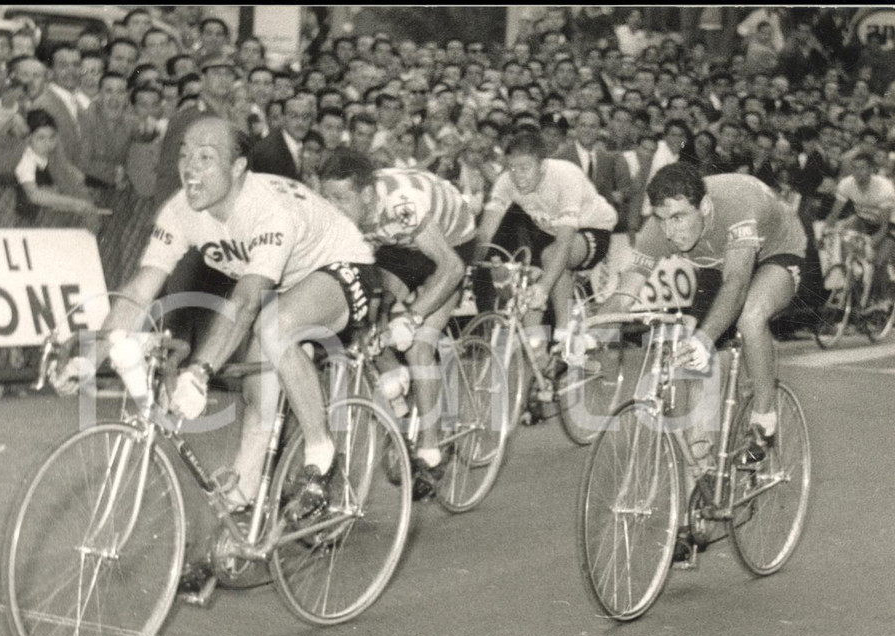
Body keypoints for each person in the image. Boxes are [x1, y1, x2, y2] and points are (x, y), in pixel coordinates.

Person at [50, 116, 377, 588]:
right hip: (285, 282)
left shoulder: (266, 210)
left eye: (206, 158)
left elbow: (244, 303)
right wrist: (90, 354)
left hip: (342, 267)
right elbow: (142, 288)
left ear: (239, 167)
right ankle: (235, 536)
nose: (189, 169)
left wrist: (200, 371)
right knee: (257, 399)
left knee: (272, 327)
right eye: (184, 155)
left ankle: (320, 454)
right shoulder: (181, 209)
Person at [600, 163, 807, 518]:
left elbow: (737, 284)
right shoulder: (659, 227)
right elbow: (626, 292)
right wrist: (588, 332)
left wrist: (703, 339)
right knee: (693, 372)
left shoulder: (737, 208)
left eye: (680, 217)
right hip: (717, 265)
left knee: (749, 316)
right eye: (664, 219)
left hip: (775, 250)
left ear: (705, 207)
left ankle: (764, 420)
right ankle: (701, 490)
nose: (671, 230)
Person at [319, 147, 475, 498]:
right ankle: (394, 377)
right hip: (398, 243)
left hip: (449, 244)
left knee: (419, 347)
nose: (332, 207)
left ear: (368, 195)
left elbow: (451, 268)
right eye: (326, 197)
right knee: (367, 318)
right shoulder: (354, 211)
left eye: (341, 199)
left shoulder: (401, 202)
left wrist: (413, 316)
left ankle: (431, 451)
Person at [476, 130, 617, 359]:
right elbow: (485, 232)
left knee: (551, 259)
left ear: (542, 165)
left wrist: (544, 288)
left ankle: (565, 331)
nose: (517, 176)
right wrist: (472, 262)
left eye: (525, 169)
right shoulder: (506, 181)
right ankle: (540, 360)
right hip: (548, 230)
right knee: (529, 289)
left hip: (591, 228)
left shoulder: (565, 176)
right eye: (512, 168)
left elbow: (564, 243)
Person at [824, 152, 895, 307]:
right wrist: (825, 232)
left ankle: (885, 300)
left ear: (871, 170)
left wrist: (871, 244)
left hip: (889, 224)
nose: (858, 172)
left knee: (876, 261)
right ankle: (853, 299)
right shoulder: (846, 184)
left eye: (863, 168)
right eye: (855, 168)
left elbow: (884, 227)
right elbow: (833, 214)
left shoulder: (884, 188)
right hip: (864, 220)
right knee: (850, 255)